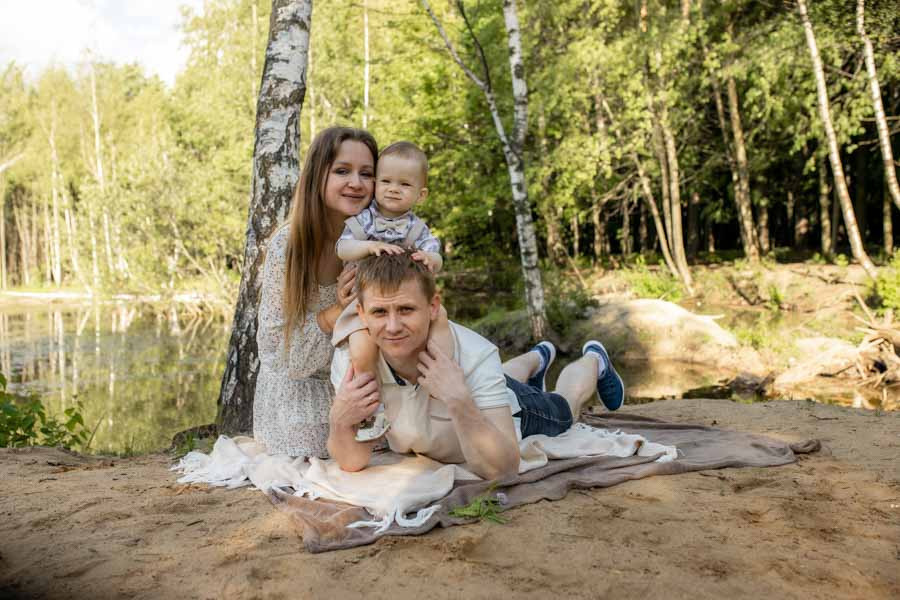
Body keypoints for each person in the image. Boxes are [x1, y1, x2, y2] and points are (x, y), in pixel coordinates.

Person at [328, 251, 625, 480]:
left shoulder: (476, 354)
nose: (393, 326)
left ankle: (594, 360)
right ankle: (538, 357)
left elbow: (504, 470)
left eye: (406, 309)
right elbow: (352, 461)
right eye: (380, 312)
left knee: (565, 405)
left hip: (517, 410)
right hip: (489, 385)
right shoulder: (352, 361)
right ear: (362, 314)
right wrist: (340, 421)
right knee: (499, 377)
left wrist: (457, 398)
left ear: (433, 307)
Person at [253, 126, 378, 458]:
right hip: (297, 384)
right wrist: (336, 311)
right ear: (317, 176)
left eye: (367, 173)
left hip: (359, 372)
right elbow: (276, 353)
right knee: (311, 447)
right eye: (342, 171)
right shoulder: (288, 246)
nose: (356, 183)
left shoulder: (373, 241)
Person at [332, 141, 453, 442]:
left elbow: (436, 254)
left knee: (441, 323)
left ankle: (443, 383)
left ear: (420, 194)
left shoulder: (416, 229)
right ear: (376, 184)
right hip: (366, 306)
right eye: (386, 181)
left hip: (405, 305)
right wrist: (368, 246)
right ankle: (371, 410)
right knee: (362, 351)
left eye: (404, 184)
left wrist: (430, 260)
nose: (393, 189)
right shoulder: (365, 220)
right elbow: (342, 248)